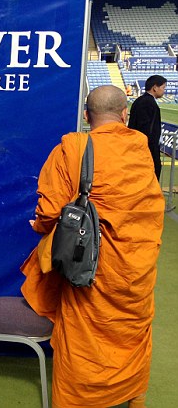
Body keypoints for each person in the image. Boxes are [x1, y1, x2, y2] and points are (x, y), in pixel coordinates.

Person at [21, 85, 165, 408]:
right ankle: (132, 396)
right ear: (125, 116)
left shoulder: (73, 149)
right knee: (132, 333)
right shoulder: (141, 149)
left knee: (83, 344)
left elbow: (47, 212)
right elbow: (150, 209)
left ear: (86, 116)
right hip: (136, 271)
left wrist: (45, 228)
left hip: (93, 275)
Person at [128, 74, 167, 180]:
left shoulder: (140, 101)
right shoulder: (148, 103)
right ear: (155, 87)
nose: (164, 91)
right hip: (146, 151)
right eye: (163, 87)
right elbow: (146, 130)